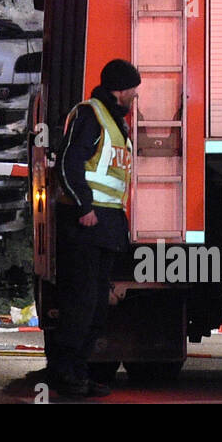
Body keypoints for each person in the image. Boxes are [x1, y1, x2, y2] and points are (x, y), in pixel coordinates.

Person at [45, 58, 139, 398]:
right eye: (132, 89)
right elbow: (69, 164)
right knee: (81, 304)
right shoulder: (91, 115)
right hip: (86, 223)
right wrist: (84, 206)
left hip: (105, 224)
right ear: (120, 89)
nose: (134, 96)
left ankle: (77, 372)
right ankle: (65, 373)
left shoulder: (114, 121)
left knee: (96, 306)